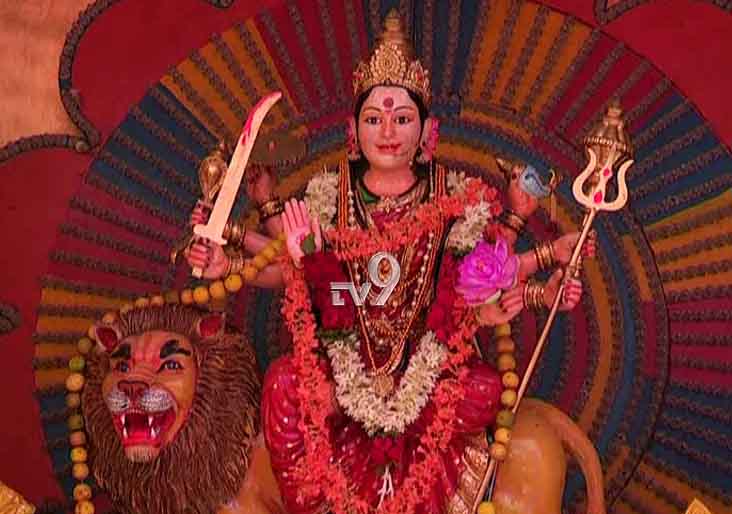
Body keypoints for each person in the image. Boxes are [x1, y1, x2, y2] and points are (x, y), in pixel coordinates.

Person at [186, 10, 588, 514]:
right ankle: (314, 504)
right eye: (374, 119)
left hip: (428, 369)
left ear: (427, 132)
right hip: (344, 366)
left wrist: (547, 274)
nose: (389, 132)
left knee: (484, 389)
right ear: (354, 132)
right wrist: (227, 267)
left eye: (402, 119)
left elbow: (482, 276)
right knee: (284, 383)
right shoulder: (329, 199)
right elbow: (291, 274)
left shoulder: (454, 199)